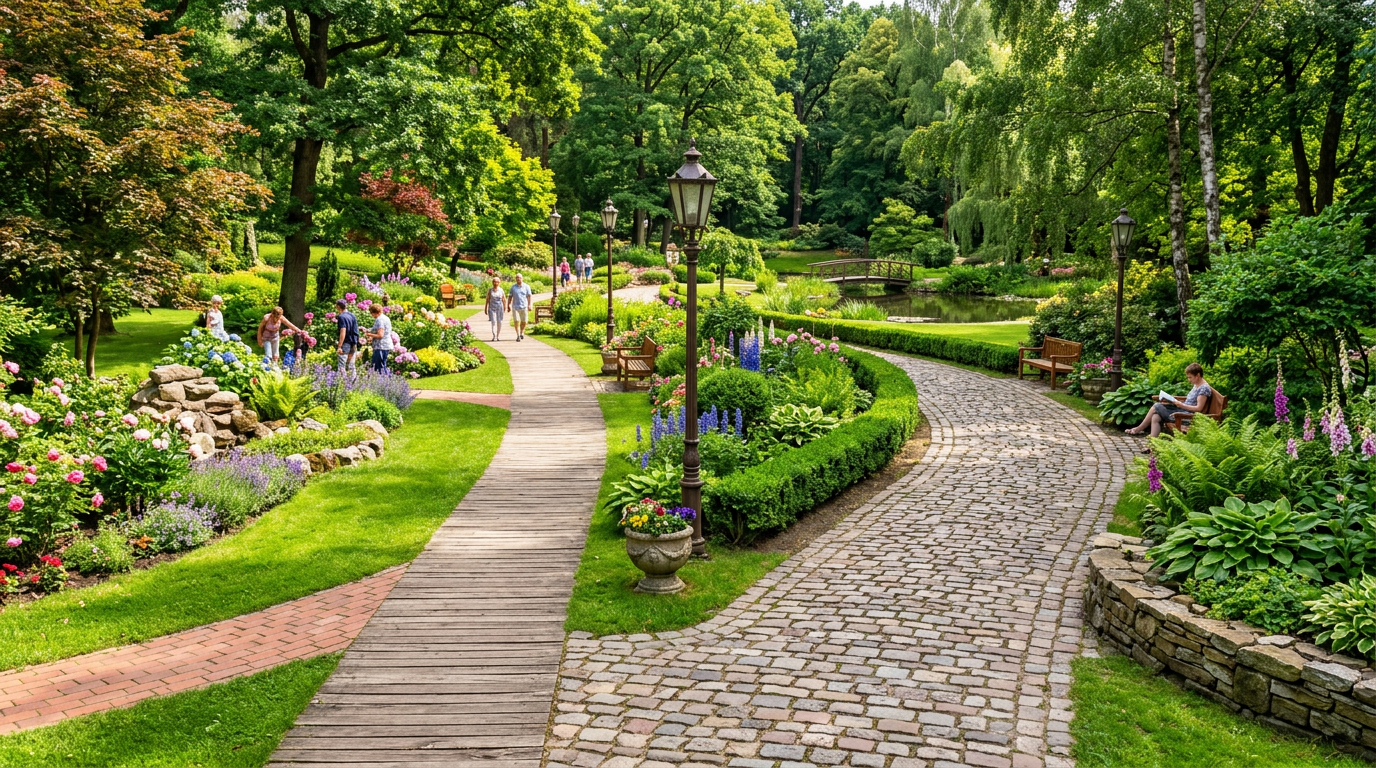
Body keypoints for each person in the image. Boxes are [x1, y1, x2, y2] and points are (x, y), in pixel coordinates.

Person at [1126, 362, 1214, 442]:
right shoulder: (1197, 384)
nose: (1189, 380)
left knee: (1157, 406)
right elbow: (1190, 401)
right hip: (1182, 410)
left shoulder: (1204, 388)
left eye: (1190, 377)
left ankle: (1139, 429)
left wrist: (1180, 404)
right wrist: (1173, 401)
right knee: (1156, 417)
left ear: (1198, 375)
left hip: (1185, 416)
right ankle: (1152, 445)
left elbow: (1198, 408)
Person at [335, 299, 360, 371]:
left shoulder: (341, 317)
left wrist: (339, 346)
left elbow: (343, 331)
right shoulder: (352, 315)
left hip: (345, 343)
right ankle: (353, 378)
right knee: (351, 365)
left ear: (338, 307)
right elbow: (356, 330)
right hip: (353, 343)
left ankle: (342, 378)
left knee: (341, 365)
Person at [507, 273, 534, 342]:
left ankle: (522, 331)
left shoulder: (526, 286)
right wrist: (508, 305)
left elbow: (529, 296)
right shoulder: (513, 287)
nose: (518, 279)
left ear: (522, 278)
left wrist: (530, 305)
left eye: (519, 277)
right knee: (516, 321)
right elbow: (510, 296)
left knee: (524, 321)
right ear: (515, 279)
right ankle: (518, 335)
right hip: (515, 307)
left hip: (524, 306)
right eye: (517, 277)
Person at [367, 304, 393, 372]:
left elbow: (380, 335)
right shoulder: (386, 318)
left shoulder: (379, 320)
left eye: (371, 313)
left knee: (378, 367)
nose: (372, 315)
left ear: (374, 312)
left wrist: (369, 334)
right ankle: (385, 378)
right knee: (382, 365)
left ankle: (384, 378)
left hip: (381, 346)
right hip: (385, 345)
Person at [485, 277, 505, 341]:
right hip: (492, 307)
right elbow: (487, 299)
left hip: (500, 307)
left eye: (497, 282)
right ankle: (494, 335)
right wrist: (486, 308)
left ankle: (498, 335)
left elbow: (504, 299)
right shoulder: (490, 290)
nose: (495, 283)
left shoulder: (501, 290)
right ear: (492, 282)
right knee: (493, 321)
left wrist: (505, 307)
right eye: (494, 282)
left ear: (499, 283)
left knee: (499, 321)